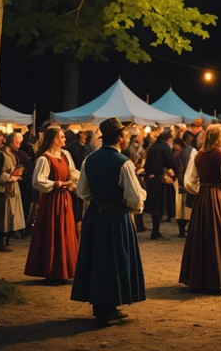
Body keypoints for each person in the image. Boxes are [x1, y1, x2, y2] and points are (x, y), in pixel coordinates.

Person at [71, 117, 146, 327]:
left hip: (96, 215)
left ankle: (105, 307)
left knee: (97, 259)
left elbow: (82, 191)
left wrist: (99, 200)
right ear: (119, 137)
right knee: (114, 260)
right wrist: (133, 204)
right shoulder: (124, 163)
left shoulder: (90, 160)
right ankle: (106, 311)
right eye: (125, 134)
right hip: (115, 216)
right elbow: (133, 198)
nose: (128, 137)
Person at [179, 123, 221, 291]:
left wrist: (200, 190)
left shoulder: (198, 155)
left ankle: (200, 277)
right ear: (218, 137)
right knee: (219, 235)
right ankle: (219, 277)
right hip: (219, 198)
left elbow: (190, 182)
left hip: (202, 198)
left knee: (202, 236)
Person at [24, 126, 79, 281]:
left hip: (65, 198)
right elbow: (37, 181)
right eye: (62, 137)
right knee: (52, 232)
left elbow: (73, 173)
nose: (64, 139)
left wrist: (71, 184)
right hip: (52, 200)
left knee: (66, 231)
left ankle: (66, 270)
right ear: (54, 139)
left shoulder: (65, 155)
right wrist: (55, 184)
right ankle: (51, 270)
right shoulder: (44, 158)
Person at [0, 132, 26, 252]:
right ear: (11, 142)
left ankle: (6, 241)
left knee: (10, 216)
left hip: (12, 189)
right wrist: (11, 178)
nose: (19, 145)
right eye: (17, 142)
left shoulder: (13, 155)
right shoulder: (1, 155)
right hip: (3, 190)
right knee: (3, 217)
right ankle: (1, 243)